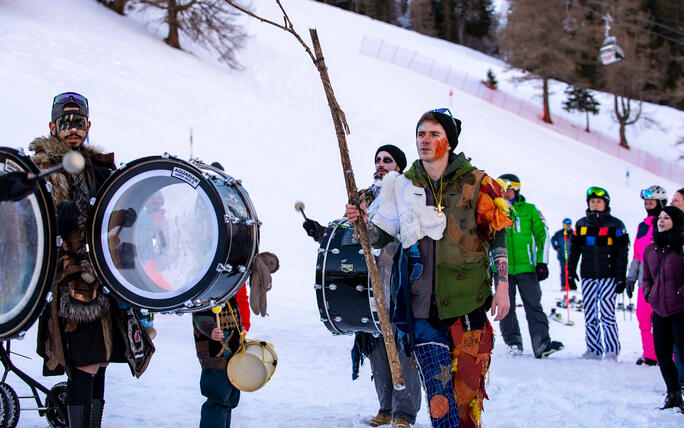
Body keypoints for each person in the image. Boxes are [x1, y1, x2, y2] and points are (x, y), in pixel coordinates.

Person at [348, 108, 512, 428]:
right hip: (421, 307)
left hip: (468, 305)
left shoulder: (477, 182)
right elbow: (382, 235)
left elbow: (498, 234)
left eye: (434, 134)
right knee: (438, 395)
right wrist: (362, 221)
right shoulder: (404, 185)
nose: (425, 140)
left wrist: (503, 285)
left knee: (465, 397)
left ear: (448, 141)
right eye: (421, 134)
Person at [33, 92, 154, 428]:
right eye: (66, 122)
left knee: (99, 363)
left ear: (88, 125)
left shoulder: (99, 167)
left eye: (79, 123)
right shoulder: (45, 168)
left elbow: (108, 215)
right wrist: (58, 217)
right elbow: (32, 223)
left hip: (104, 279)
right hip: (70, 280)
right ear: (53, 126)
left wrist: (123, 217)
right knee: (84, 364)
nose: (73, 129)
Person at [304, 145, 422, 428]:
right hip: (368, 281)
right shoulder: (363, 196)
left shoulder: (407, 195)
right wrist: (323, 233)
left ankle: (404, 412)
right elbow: (349, 234)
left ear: (399, 167)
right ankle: (385, 406)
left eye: (388, 160)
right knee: (376, 343)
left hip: (396, 278)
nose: (381, 164)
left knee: (400, 344)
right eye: (378, 160)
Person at [497, 173, 563, 359]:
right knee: (505, 308)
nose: (505, 194)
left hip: (527, 268)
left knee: (534, 305)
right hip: (503, 269)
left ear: (516, 190)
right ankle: (513, 344)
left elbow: (543, 235)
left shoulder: (530, 210)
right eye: (501, 190)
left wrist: (542, 262)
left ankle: (541, 343)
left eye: (508, 190)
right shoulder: (493, 210)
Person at [567, 186, 629, 361]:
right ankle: (594, 349)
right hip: (588, 276)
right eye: (592, 201)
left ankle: (612, 350)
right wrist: (570, 273)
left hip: (608, 275)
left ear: (605, 204)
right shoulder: (581, 224)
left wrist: (620, 278)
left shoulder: (616, 225)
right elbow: (574, 251)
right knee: (590, 313)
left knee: (607, 313)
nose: (595, 204)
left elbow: (622, 253)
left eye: (599, 201)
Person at [641, 206, 684, 411]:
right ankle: (673, 394)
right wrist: (649, 294)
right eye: (660, 218)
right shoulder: (651, 248)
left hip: (681, 309)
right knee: (663, 356)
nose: (661, 221)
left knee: (683, 354)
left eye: (666, 218)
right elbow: (646, 276)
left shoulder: (682, 246)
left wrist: (681, 294)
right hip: (659, 310)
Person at [192, 287, 250, 428]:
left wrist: (243, 328)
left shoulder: (231, 289)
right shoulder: (207, 290)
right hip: (214, 356)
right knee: (218, 399)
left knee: (229, 399)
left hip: (233, 354)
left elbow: (241, 302)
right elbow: (199, 316)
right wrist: (210, 329)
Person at [625, 185, 668, 366]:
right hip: (645, 282)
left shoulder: (667, 223)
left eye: (652, 202)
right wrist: (631, 278)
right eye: (646, 202)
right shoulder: (642, 226)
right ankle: (650, 355)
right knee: (643, 318)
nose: (648, 204)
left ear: (661, 202)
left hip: (664, 282)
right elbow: (636, 255)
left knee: (664, 321)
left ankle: (670, 357)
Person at [551, 218, 576, 291]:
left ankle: (571, 285)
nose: (568, 226)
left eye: (569, 224)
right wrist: (556, 247)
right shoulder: (559, 233)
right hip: (562, 255)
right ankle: (564, 285)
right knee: (564, 270)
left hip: (571, 255)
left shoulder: (574, 233)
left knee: (571, 270)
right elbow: (552, 240)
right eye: (566, 224)